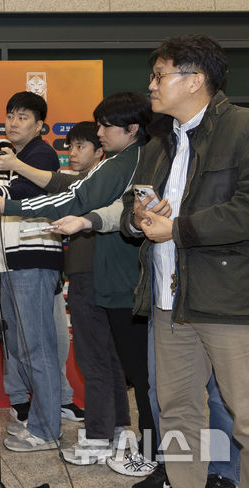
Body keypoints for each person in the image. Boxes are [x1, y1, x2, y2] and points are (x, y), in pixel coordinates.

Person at [0, 93, 158, 466]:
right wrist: (89, 218)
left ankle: (123, 442)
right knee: (115, 361)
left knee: (122, 365)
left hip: (116, 276)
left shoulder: (133, 160)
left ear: (133, 129)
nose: (100, 133)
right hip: (102, 273)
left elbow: (73, 196)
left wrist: (7, 204)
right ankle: (121, 434)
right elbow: (84, 195)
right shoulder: (120, 162)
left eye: (104, 128)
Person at [120, 34, 249, 488]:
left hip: (229, 301)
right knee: (175, 412)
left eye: (160, 75)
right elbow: (130, 214)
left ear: (195, 80)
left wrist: (176, 229)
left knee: (246, 417)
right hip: (168, 300)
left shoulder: (242, 129)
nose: (151, 85)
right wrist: (138, 221)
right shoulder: (158, 144)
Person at [0, 91, 64, 453]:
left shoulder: (40, 154)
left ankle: (47, 430)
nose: (13, 123)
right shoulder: (18, 158)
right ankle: (38, 419)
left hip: (33, 260)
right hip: (13, 262)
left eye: (22, 117)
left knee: (38, 348)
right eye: (10, 116)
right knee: (21, 346)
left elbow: (21, 192)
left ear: (39, 125)